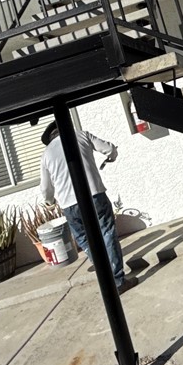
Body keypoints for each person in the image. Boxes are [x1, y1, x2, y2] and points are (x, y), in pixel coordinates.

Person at [39, 121, 138, 294]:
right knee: (107, 233)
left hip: (70, 204)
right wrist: (112, 157)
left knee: (85, 239)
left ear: (50, 138)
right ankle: (117, 280)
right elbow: (109, 149)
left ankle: (107, 275)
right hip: (95, 195)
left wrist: (50, 202)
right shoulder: (82, 135)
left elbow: (46, 188)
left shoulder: (46, 154)